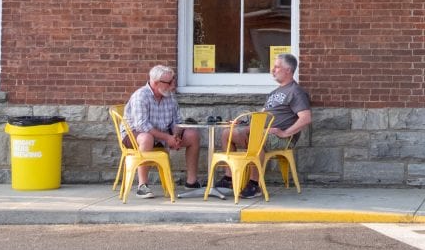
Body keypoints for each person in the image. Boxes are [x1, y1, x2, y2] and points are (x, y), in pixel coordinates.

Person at [217, 52, 312, 198]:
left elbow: (305, 118)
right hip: (263, 131)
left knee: (255, 137)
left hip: (280, 138)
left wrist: (285, 133)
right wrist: (242, 123)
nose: (272, 70)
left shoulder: (296, 92)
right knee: (227, 133)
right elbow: (261, 116)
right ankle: (229, 178)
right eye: (273, 67)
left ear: (288, 70)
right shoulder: (274, 93)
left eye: (277, 67)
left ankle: (255, 185)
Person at [122, 64, 201, 199]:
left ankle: (191, 182)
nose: (173, 85)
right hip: (135, 135)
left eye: (174, 81)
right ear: (155, 83)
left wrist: (176, 135)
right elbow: (141, 125)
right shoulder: (141, 96)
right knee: (147, 138)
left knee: (192, 135)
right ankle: (142, 185)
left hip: (162, 134)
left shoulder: (169, 96)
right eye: (169, 82)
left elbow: (177, 120)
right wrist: (167, 138)